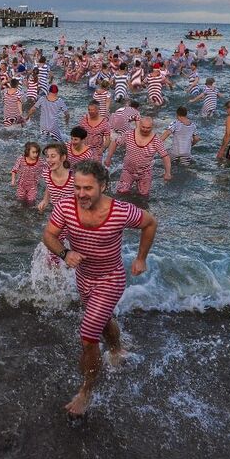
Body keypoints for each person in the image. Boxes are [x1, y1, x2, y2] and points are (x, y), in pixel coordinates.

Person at [42, 161, 158, 416]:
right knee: (102, 321)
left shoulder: (120, 211)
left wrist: (141, 258)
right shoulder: (65, 207)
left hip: (110, 279)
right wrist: (65, 253)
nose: (81, 194)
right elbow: (48, 235)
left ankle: (86, 392)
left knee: (87, 336)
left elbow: (150, 223)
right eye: (77, 188)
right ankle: (117, 348)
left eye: (88, 188)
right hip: (84, 278)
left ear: (103, 186)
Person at [105, 117, 172, 195]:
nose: (145, 129)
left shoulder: (156, 141)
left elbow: (165, 156)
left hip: (145, 173)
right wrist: (109, 157)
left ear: (152, 127)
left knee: (143, 196)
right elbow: (115, 142)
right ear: (139, 125)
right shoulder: (129, 134)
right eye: (143, 127)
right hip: (128, 171)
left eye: (148, 128)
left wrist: (168, 173)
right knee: (121, 193)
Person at [37, 142, 74, 213]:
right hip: (56, 213)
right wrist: (45, 200)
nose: (48, 160)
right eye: (47, 156)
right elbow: (49, 186)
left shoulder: (73, 178)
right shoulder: (46, 174)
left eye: (53, 156)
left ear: (63, 157)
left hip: (71, 214)